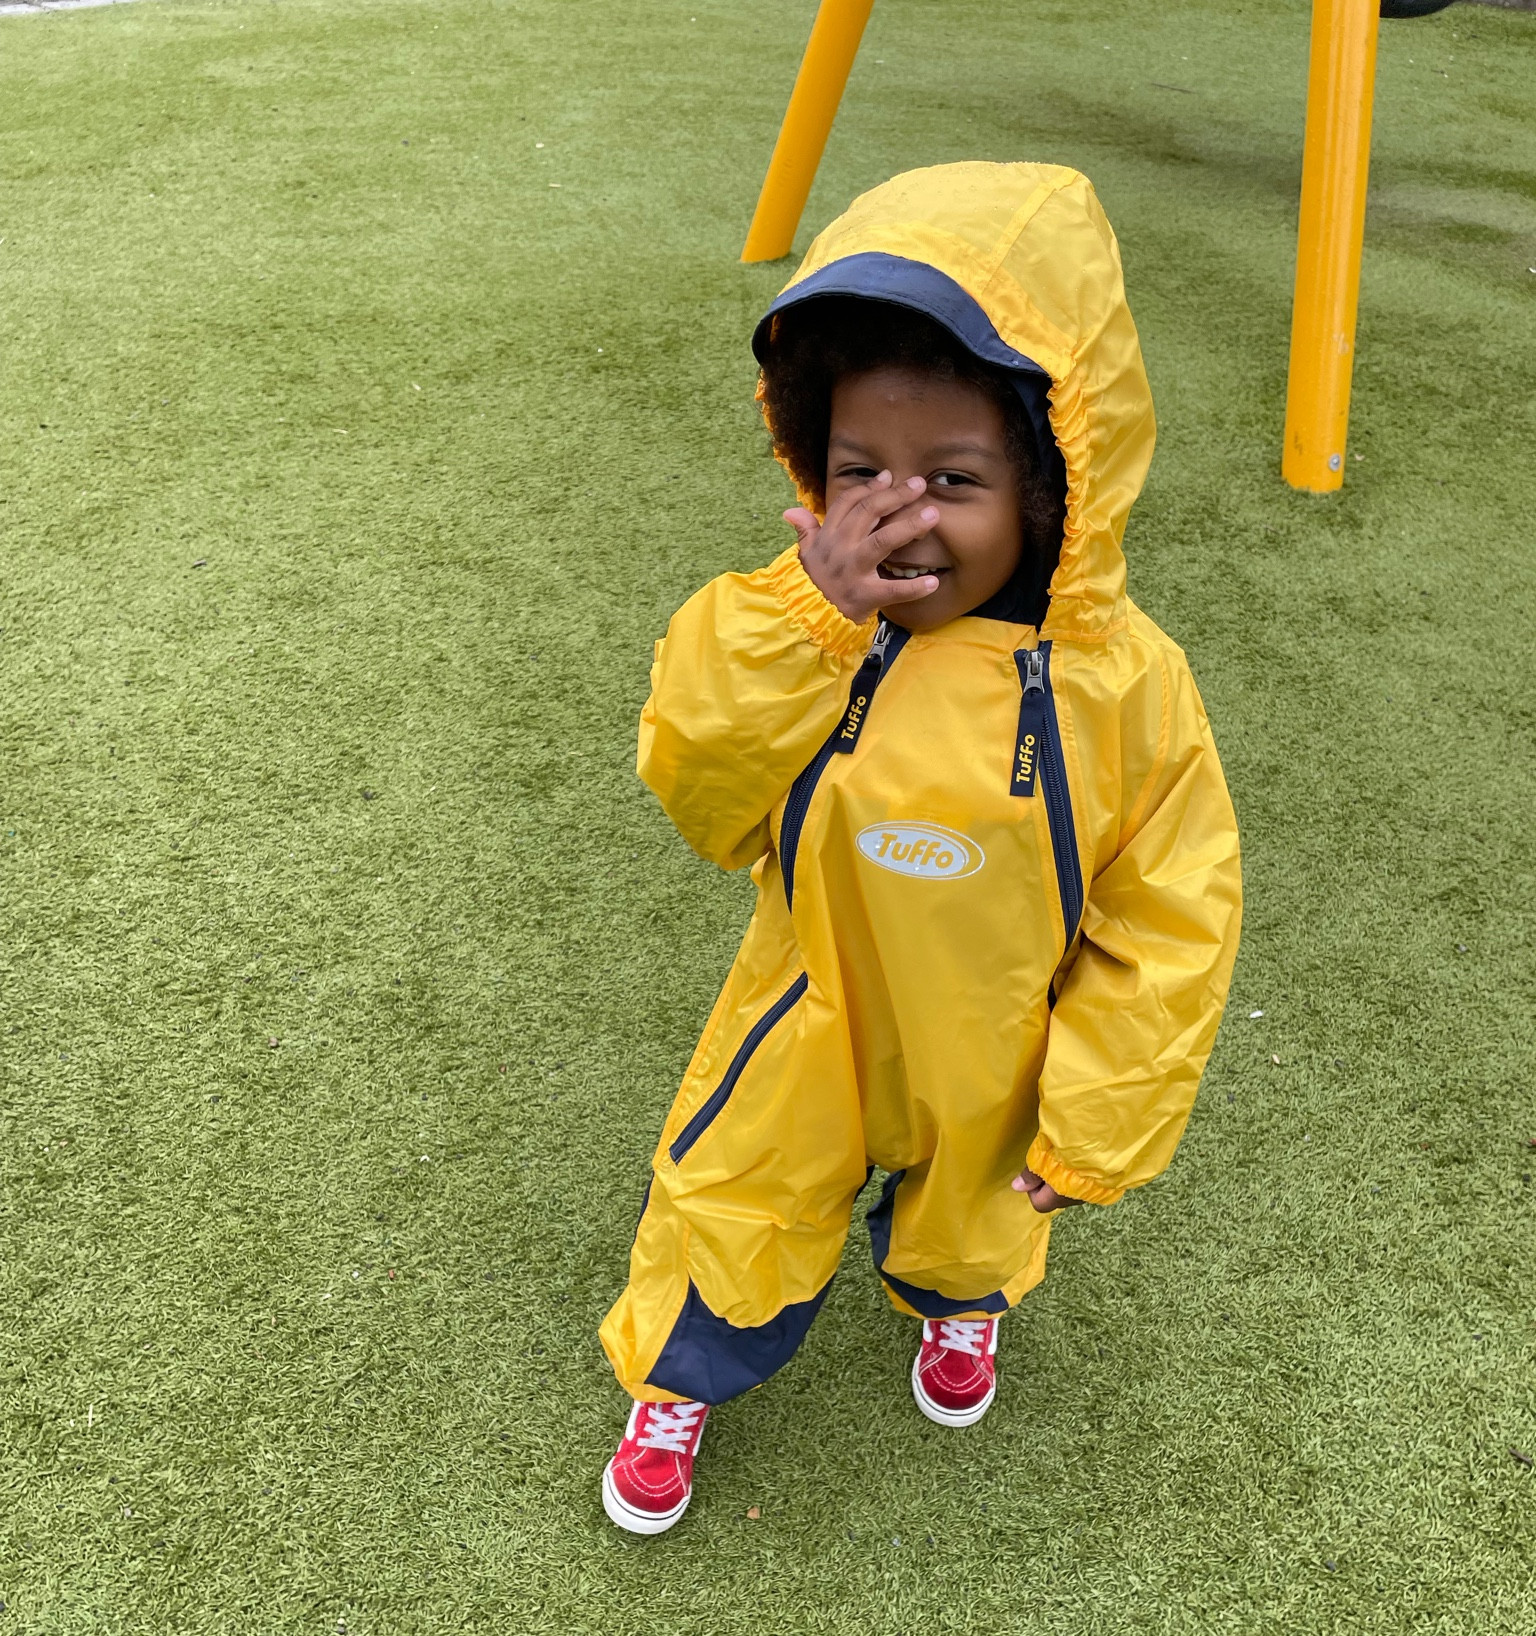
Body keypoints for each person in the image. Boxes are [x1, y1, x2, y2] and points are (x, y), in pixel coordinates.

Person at [597, 161, 1243, 1535]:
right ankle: (679, 1383)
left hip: (998, 1036)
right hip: (812, 1002)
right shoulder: (792, 624)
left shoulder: (1124, 683)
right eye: (858, 474)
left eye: (952, 477)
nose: (899, 514)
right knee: (734, 1193)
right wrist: (800, 620)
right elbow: (694, 782)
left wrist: (1101, 1116)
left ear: (1055, 480)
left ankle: (959, 1309)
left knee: (981, 1208)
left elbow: (1174, 917)